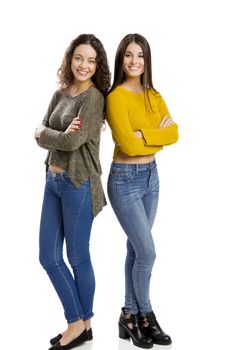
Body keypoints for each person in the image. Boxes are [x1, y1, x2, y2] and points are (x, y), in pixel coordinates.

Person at [34, 34, 111, 350]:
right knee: (48, 256)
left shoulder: (93, 99)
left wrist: (46, 134)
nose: (84, 65)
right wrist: (50, 134)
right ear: (70, 60)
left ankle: (78, 324)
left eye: (91, 60)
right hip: (52, 183)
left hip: (79, 183)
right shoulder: (60, 94)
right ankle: (82, 324)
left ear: (97, 66)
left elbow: (70, 142)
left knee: (77, 257)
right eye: (79, 58)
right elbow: (42, 133)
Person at [106, 33, 179, 348]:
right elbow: (128, 143)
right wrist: (154, 134)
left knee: (136, 250)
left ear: (147, 60)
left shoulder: (154, 94)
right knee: (147, 252)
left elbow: (175, 133)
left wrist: (144, 134)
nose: (134, 61)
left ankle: (129, 315)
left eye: (141, 55)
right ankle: (146, 314)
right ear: (121, 58)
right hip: (124, 179)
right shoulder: (116, 97)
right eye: (128, 55)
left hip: (151, 177)